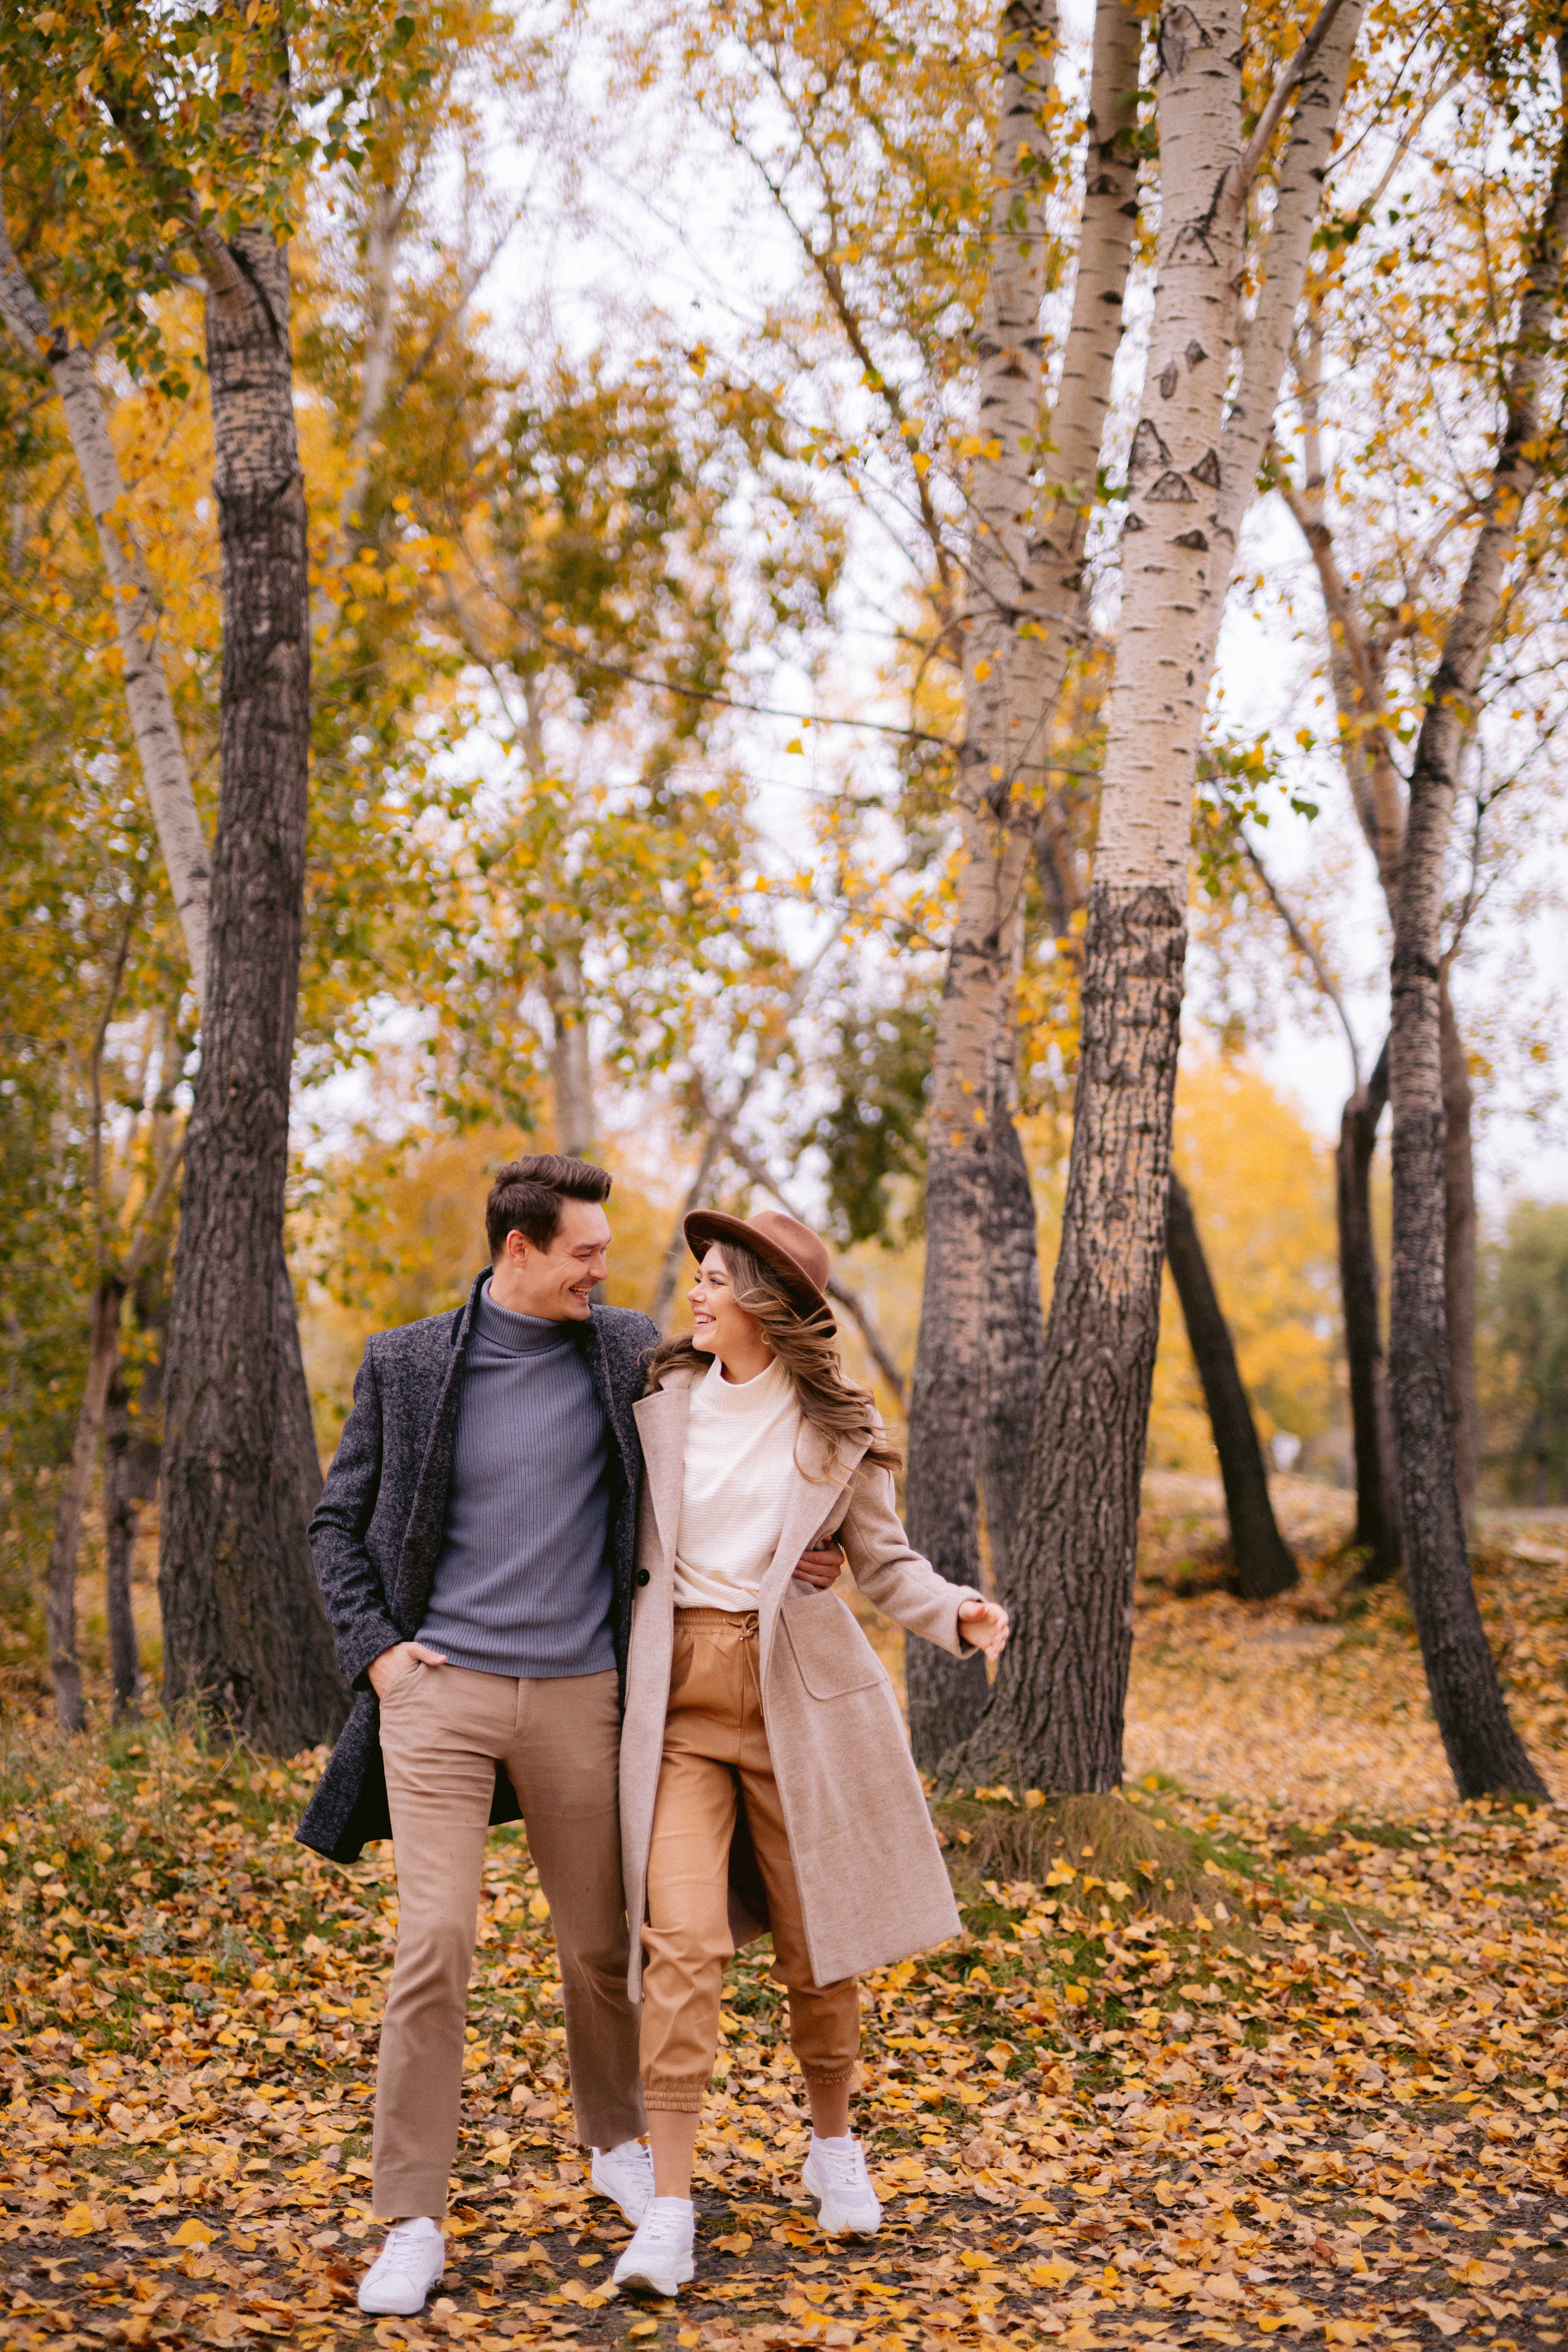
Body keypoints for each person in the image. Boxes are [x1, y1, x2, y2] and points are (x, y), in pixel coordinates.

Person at [297, 1158, 845, 2319]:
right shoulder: (407, 1363)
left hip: (585, 1695)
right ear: (519, 1250)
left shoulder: (630, 1351)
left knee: (604, 1946)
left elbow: (746, 1439)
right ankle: (412, 2219)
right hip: (439, 1696)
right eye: (585, 1252)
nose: (605, 1268)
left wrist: (816, 1543)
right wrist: (380, 1654)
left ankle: (617, 2143)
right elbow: (337, 1519)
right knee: (434, 1944)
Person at [610, 1208, 1009, 2299]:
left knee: (819, 1940)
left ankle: (831, 2144)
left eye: (715, 1281)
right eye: (696, 1278)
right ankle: (673, 2208)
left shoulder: (836, 1425)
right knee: (681, 1943)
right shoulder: (657, 1404)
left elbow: (883, 1559)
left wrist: (956, 1610)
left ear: (766, 1306)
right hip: (678, 1700)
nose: (695, 1295)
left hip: (797, 1696)